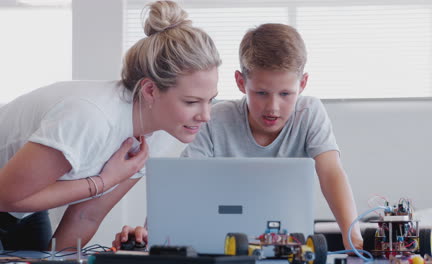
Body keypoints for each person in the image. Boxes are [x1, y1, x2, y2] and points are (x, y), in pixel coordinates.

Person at [113, 23, 363, 251]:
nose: (273, 107)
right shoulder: (214, 119)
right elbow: (183, 184)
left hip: (285, 247)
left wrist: (351, 235)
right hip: (220, 245)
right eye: (261, 92)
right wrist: (151, 232)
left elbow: (331, 172)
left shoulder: (310, 113)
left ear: (303, 83)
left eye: (286, 94)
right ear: (241, 82)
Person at [0, 0, 221, 251]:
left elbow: (86, 216)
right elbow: (6, 196)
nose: (206, 116)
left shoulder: (164, 131)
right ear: (150, 90)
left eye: (210, 100)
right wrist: (103, 181)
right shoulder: (91, 117)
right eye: (192, 102)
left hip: (24, 210)